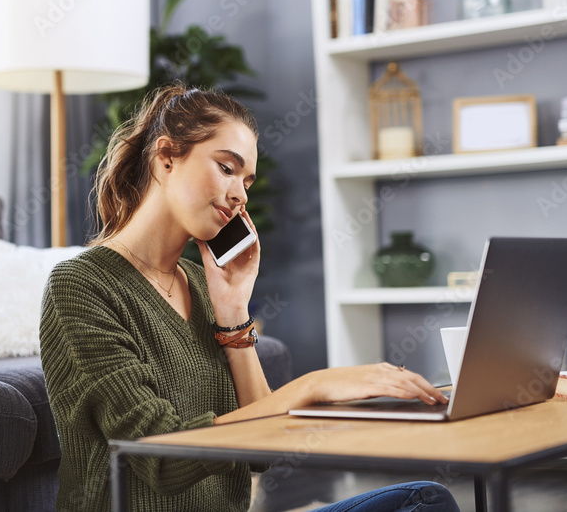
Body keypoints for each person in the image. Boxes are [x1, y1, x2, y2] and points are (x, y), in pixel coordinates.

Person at [39, 83, 460, 512]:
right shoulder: (80, 285)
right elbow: (159, 458)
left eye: (246, 180)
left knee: (423, 501)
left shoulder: (201, 285)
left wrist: (233, 314)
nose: (241, 194)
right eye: (226, 168)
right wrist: (315, 386)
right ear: (166, 158)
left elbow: (261, 453)